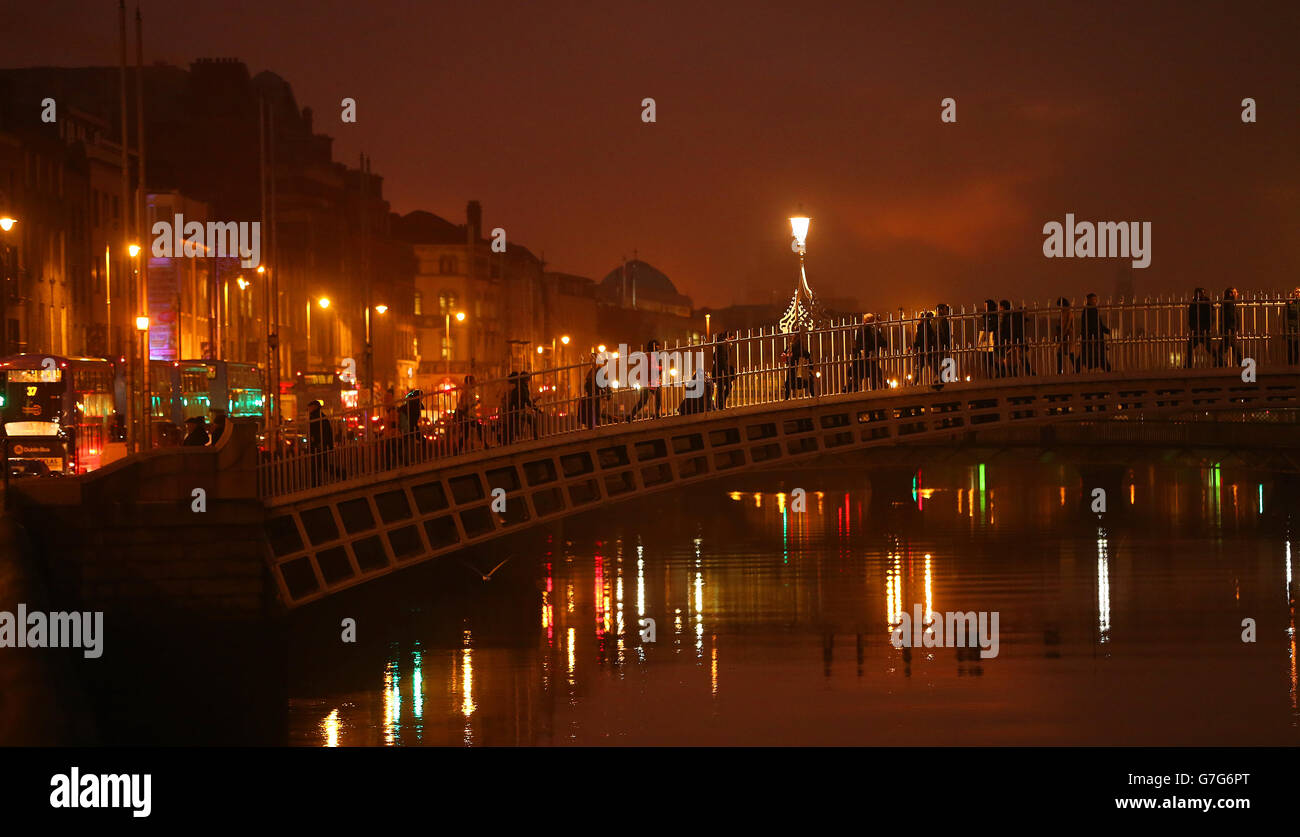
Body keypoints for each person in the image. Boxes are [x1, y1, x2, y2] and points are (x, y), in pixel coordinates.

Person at [627, 339, 663, 419]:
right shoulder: (651, 356)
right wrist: (661, 368)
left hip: (646, 380)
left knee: (643, 400)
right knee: (656, 398)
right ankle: (656, 414)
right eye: (657, 346)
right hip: (650, 380)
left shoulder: (647, 356)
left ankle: (631, 415)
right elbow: (652, 368)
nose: (659, 348)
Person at [1185, 287, 1215, 367]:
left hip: (1203, 330)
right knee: (1190, 348)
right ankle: (1188, 365)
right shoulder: (1194, 304)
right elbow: (1191, 318)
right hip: (1196, 330)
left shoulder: (1207, 303)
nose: (1198, 295)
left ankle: (1221, 361)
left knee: (1210, 349)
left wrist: (1207, 328)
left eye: (1200, 293)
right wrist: (1192, 328)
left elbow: (1211, 318)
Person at [1081, 293, 1111, 371]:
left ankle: (1107, 369)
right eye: (1094, 299)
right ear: (1089, 300)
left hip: (1091, 337)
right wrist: (1106, 331)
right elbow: (1096, 324)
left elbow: (1097, 324)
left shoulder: (1088, 310)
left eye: (1096, 299)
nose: (1096, 301)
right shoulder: (1091, 310)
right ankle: (1108, 370)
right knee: (1100, 355)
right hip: (1094, 337)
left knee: (1087, 355)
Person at [911, 311, 941, 387]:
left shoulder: (921, 328)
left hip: (922, 350)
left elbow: (919, 340)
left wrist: (913, 346)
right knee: (933, 365)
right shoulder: (929, 327)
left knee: (919, 367)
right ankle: (941, 378)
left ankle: (914, 383)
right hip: (928, 349)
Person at [782, 330, 815, 398]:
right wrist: (811, 367)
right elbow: (807, 356)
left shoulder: (791, 347)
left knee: (790, 383)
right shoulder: (799, 347)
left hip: (794, 367)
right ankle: (813, 394)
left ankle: (786, 398)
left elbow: (785, 356)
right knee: (805, 382)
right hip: (799, 367)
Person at [1053, 297, 1078, 374]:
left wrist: (1062, 334)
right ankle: (1061, 370)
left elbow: (1067, 325)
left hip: (1067, 334)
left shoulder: (1068, 312)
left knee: (1068, 352)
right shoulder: (1063, 312)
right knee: (1062, 353)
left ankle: (1076, 368)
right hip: (1064, 334)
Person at [711, 331, 734, 409]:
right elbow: (723, 359)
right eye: (732, 339)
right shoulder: (724, 345)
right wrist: (727, 372)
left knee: (720, 388)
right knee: (728, 386)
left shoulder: (720, 343)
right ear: (729, 338)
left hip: (719, 370)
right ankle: (721, 404)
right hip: (722, 371)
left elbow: (716, 357)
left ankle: (720, 405)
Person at [980, 299, 1001, 378]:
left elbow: (995, 326)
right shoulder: (986, 315)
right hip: (987, 338)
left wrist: (987, 329)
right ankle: (990, 375)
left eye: (986, 306)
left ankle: (998, 370)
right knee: (987, 359)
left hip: (991, 338)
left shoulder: (993, 315)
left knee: (989, 359)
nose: (985, 307)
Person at [1219, 287, 1240, 367]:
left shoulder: (1228, 303)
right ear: (1230, 294)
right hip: (1230, 329)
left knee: (1225, 348)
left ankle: (1218, 362)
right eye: (1235, 292)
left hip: (1228, 329)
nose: (1237, 294)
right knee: (1235, 349)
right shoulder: (1229, 303)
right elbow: (1231, 317)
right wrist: (1234, 327)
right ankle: (1240, 363)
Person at [1286, 287, 1300, 365]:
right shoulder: (1290, 303)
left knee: (1297, 348)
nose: (1298, 294)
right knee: (1291, 349)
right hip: (1291, 328)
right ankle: (1291, 365)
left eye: (1299, 292)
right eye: (1296, 292)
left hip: (1298, 328)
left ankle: (1296, 364)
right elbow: (1286, 315)